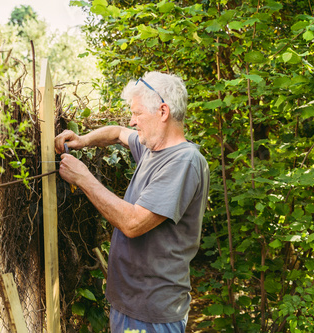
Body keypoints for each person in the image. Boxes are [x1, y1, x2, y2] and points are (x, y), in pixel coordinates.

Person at [54, 71, 210, 333]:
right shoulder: (152, 148)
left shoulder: (183, 162)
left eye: (137, 113)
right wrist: (83, 140)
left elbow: (133, 222)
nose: (132, 120)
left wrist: (83, 178)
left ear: (163, 111)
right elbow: (117, 133)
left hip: (151, 314)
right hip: (129, 305)